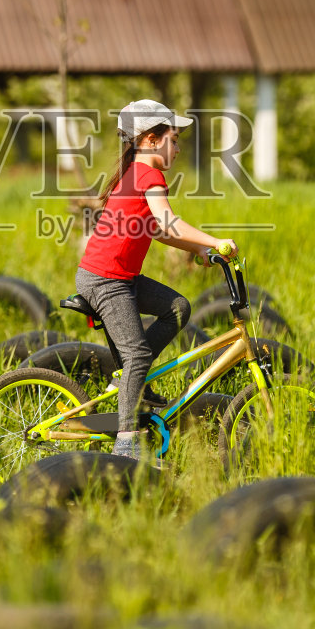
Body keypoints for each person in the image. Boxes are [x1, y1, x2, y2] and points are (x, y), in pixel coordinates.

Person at [76, 99, 238, 459]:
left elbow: (158, 231)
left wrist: (196, 250)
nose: (178, 148)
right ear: (150, 140)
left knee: (178, 307)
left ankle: (130, 382)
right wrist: (215, 241)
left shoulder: (136, 172)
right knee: (137, 354)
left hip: (119, 277)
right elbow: (167, 222)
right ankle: (127, 443)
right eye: (174, 139)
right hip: (105, 281)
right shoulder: (148, 174)